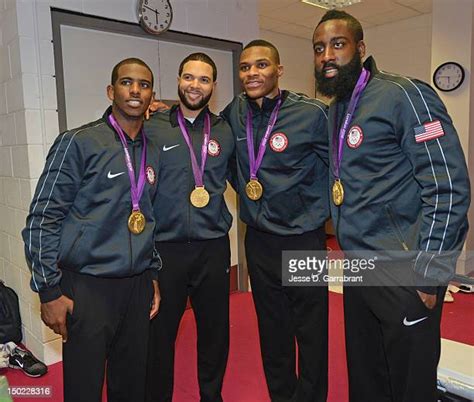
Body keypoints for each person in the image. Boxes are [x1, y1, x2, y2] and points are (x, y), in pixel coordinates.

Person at [313, 10, 470, 402]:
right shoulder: (336, 109)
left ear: (360, 49)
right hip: (358, 267)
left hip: (403, 271)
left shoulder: (403, 94)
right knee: (368, 382)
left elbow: (448, 187)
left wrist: (430, 272)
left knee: (409, 386)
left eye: (338, 44)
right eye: (318, 48)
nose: (327, 55)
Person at [21, 58, 161, 402]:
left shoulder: (152, 150)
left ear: (151, 95)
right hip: (88, 287)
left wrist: (152, 273)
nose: (135, 91)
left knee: (131, 385)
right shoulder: (78, 142)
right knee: (84, 387)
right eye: (127, 83)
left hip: (137, 285)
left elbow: (149, 217)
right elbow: (43, 217)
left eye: (143, 85)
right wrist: (48, 290)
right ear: (111, 91)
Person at [222, 40, 330, 402]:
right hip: (259, 240)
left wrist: (319, 210)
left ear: (279, 70)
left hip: (302, 238)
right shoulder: (233, 113)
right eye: (245, 67)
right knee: (272, 329)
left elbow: (338, 169)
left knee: (310, 330)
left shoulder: (311, 113)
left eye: (262, 65)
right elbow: (213, 148)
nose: (252, 73)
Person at [145, 53, 234, 402]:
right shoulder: (152, 124)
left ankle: (212, 395)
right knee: (160, 333)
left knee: (214, 331)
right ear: (178, 80)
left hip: (212, 247)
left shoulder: (226, 130)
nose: (194, 85)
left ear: (213, 85)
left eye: (204, 79)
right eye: (188, 77)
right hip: (165, 249)